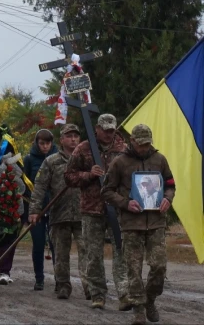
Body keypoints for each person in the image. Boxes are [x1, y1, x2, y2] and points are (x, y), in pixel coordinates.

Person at [102, 124, 175, 325]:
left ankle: (150, 299)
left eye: (147, 144)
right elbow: (107, 191)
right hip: (131, 224)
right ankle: (138, 309)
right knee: (133, 269)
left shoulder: (160, 160)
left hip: (156, 223)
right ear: (132, 141)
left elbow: (170, 184)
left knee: (159, 267)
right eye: (140, 144)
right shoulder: (120, 163)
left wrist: (168, 198)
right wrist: (126, 203)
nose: (143, 148)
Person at [65, 114, 130, 310]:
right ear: (97, 129)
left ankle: (124, 293)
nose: (109, 133)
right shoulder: (83, 148)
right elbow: (69, 176)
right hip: (91, 209)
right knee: (93, 254)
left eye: (112, 130)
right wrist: (88, 175)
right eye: (106, 129)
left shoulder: (124, 149)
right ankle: (97, 294)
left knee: (121, 249)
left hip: (117, 208)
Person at [29, 124, 88, 300]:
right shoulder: (51, 161)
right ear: (62, 140)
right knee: (61, 254)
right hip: (59, 214)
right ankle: (63, 285)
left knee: (87, 252)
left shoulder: (86, 159)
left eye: (76, 136)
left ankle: (89, 286)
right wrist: (34, 210)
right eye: (69, 136)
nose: (73, 139)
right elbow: (40, 187)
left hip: (83, 213)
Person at [24, 129, 58, 290]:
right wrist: (29, 210)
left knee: (56, 244)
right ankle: (39, 278)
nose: (45, 146)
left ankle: (60, 278)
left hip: (55, 208)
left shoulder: (58, 159)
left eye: (48, 143)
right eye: (42, 143)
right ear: (37, 143)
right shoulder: (30, 159)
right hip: (36, 209)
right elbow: (25, 185)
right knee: (38, 244)